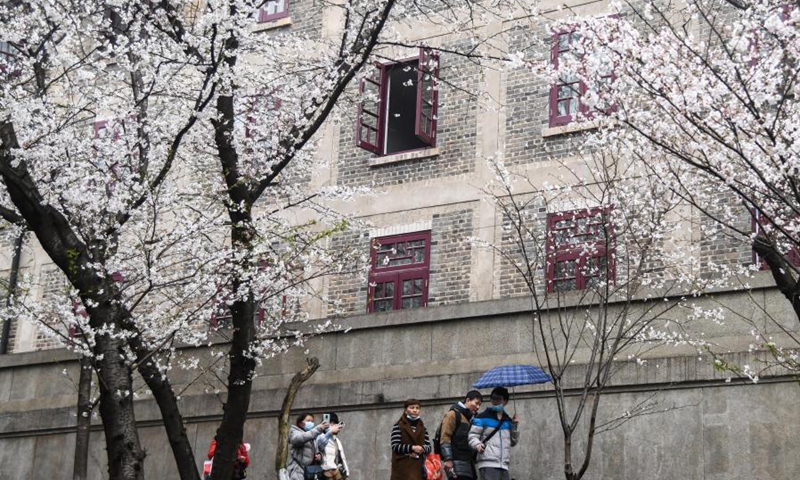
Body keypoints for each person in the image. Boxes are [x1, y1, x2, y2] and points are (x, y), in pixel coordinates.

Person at [467, 388, 519, 480]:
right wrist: (478, 445)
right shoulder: (482, 417)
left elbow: (513, 442)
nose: (495, 401)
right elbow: (472, 436)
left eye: (498, 399)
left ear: (505, 401)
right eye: (493, 398)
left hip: (504, 465)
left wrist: (514, 426)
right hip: (488, 463)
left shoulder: (507, 420)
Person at [440, 390, 483, 480]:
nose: (478, 407)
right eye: (476, 403)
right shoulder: (453, 414)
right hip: (456, 463)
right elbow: (445, 437)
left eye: (480, 405)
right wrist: (448, 459)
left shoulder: (472, 418)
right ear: (468, 400)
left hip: (469, 464)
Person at [288, 412, 339, 480]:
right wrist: (319, 428)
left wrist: (319, 456)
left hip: (310, 472)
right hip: (298, 472)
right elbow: (300, 438)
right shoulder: (295, 432)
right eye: (308, 421)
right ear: (300, 423)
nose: (311, 423)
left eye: (312, 421)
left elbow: (318, 449)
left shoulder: (313, 435)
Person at [391, 399, 432, 480]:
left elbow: (429, 447)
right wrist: (412, 448)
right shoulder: (398, 426)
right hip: (402, 468)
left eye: (417, 408)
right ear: (406, 410)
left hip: (419, 467)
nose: (415, 410)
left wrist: (422, 449)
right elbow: (395, 446)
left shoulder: (423, 428)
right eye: (412, 407)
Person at [316, 412, 350, 479]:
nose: (333, 425)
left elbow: (342, 458)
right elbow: (320, 445)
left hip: (336, 473)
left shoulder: (337, 440)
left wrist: (346, 473)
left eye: (334, 423)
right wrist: (330, 432)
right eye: (330, 422)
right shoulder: (320, 436)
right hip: (324, 473)